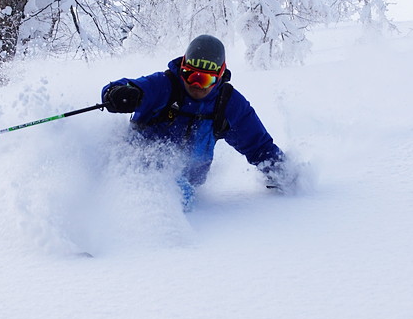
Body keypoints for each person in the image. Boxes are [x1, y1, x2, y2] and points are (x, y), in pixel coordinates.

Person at [101, 34, 294, 210]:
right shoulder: (163, 85)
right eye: (189, 74)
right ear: (182, 67)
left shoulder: (227, 104)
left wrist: (285, 174)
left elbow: (258, 146)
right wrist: (118, 94)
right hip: (133, 169)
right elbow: (123, 86)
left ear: (219, 76)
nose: (195, 85)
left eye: (204, 79)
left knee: (178, 194)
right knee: (151, 196)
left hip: (186, 187)